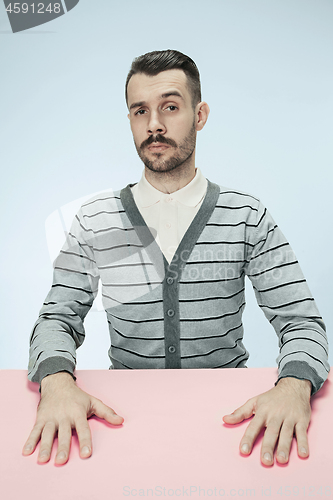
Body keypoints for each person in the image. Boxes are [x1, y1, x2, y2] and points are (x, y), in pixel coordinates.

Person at [23, 49, 329, 467]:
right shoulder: (96, 220)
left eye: (170, 106)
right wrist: (57, 383)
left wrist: (294, 385)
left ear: (200, 115)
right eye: (139, 111)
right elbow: (57, 318)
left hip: (234, 427)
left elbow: (301, 321)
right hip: (122, 428)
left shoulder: (247, 217)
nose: (154, 125)